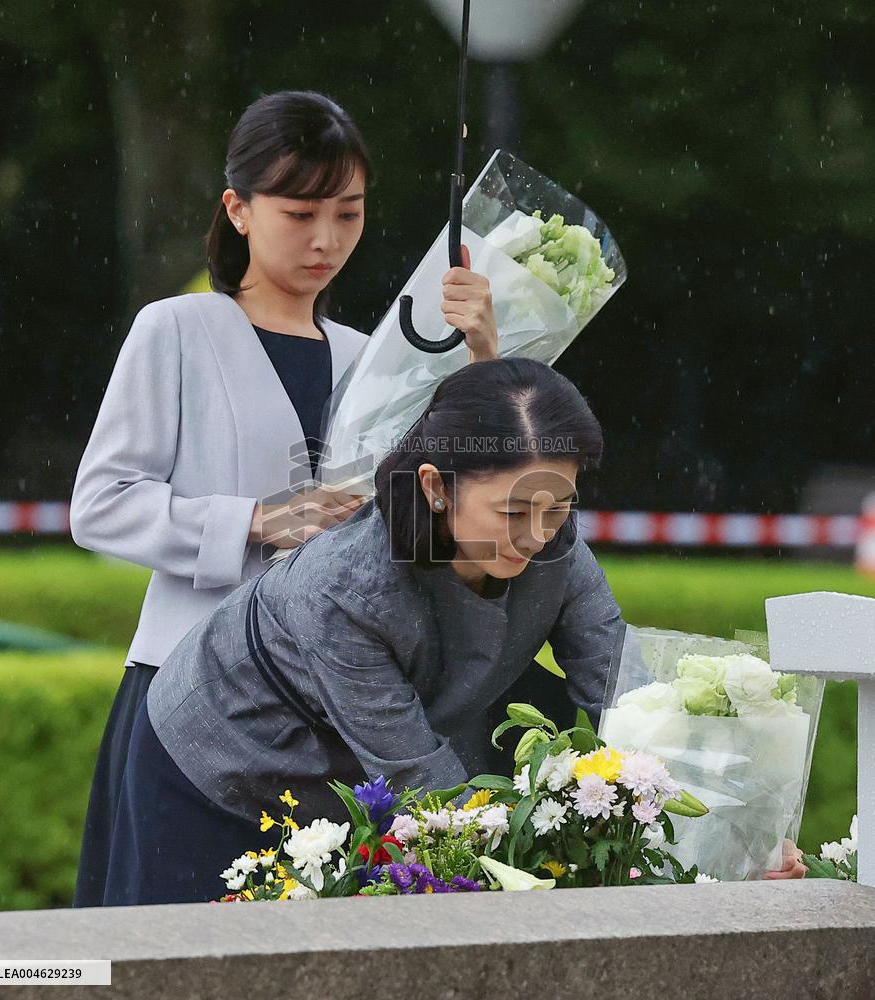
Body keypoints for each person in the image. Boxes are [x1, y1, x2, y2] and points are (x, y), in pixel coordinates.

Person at [69, 90, 499, 907]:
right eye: (300, 212)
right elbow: (100, 502)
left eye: (349, 212)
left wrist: (483, 351)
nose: (326, 239)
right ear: (238, 208)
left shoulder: (372, 358)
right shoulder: (178, 330)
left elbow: (458, 509)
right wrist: (254, 523)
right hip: (186, 695)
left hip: (335, 720)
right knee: (176, 949)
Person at [100, 358, 620, 904]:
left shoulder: (558, 546)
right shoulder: (345, 587)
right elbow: (419, 781)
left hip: (363, 766)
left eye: (558, 507)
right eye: (512, 512)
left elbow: (618, 685)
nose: (538, 535)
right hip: (225, 760)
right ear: (436, 486)